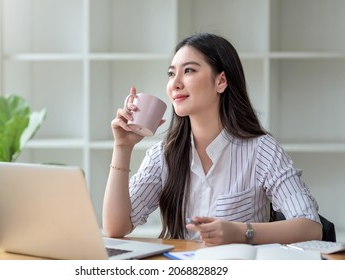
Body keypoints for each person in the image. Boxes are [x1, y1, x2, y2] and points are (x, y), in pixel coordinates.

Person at [103, 32, 322, 246]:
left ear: (221, 81)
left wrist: (240, 231)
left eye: (188, 70)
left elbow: (311, 227)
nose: (175, 83)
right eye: (171, 74)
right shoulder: (163, 155)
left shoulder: (261, 150)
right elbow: (116, 227)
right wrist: (122, 147)